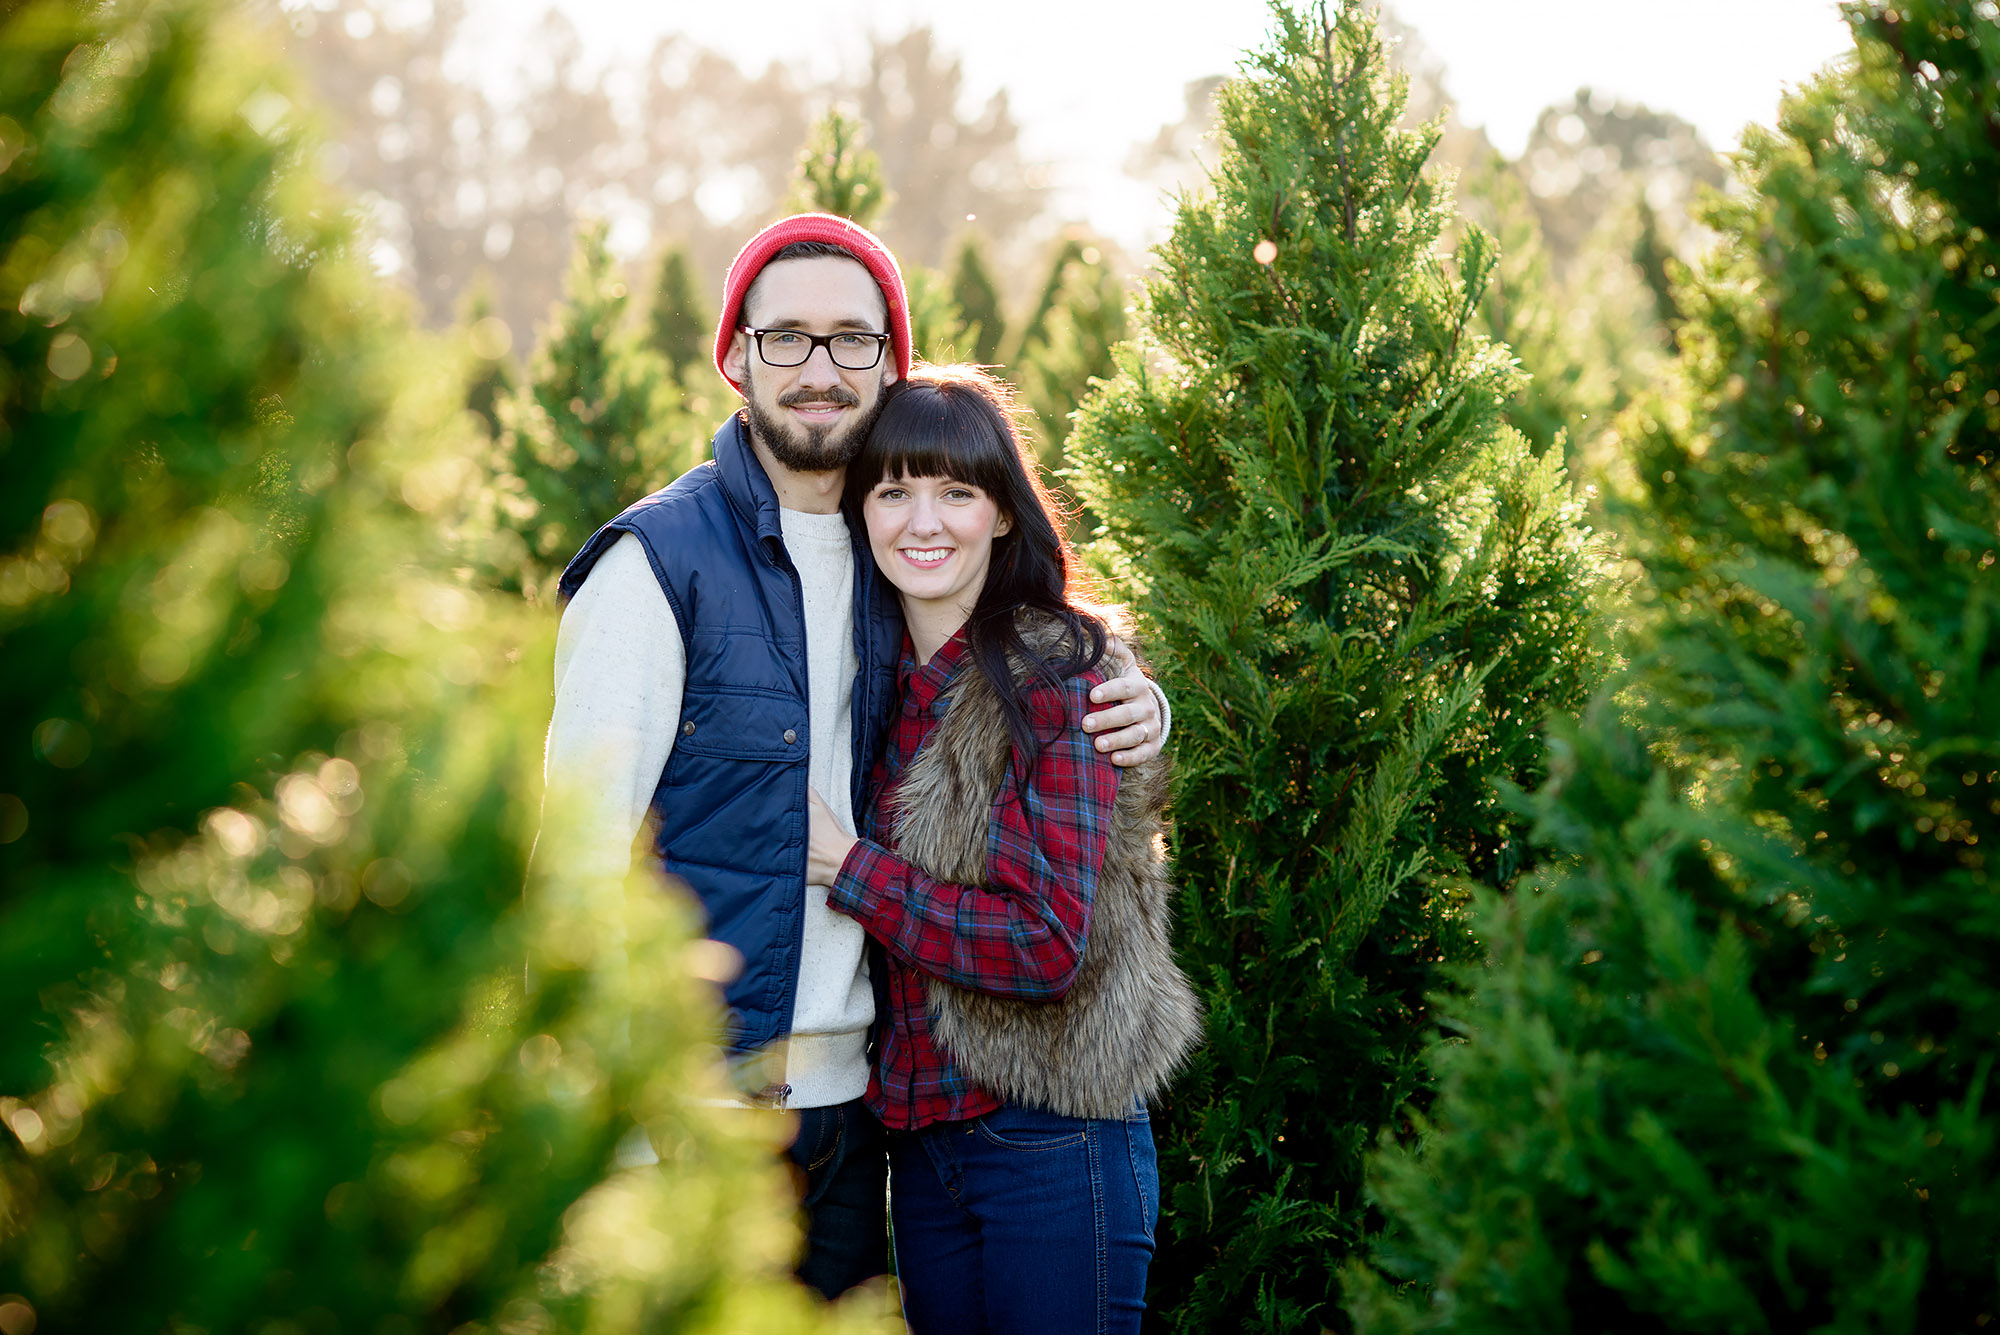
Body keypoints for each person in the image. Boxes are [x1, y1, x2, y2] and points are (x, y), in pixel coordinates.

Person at [543, 213, 1170, 1300]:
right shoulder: (657, 568)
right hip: (693, 1114)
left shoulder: (893, 559)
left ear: (892, 364)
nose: (819, 368)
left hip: (858, 1114)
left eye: (851, 340)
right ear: (734, 355)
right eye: (785, 338)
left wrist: (1134, 699)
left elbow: (1015, 671)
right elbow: (571, 861)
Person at [805, 365, 1202, 1334]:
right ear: (860, 515)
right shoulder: (869, 684)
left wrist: (850, 870)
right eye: (892, 492)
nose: (922, 522)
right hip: (919, 1144)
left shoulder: (1053, 676)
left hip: (1050, 1137)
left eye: (955, 492)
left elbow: (1042, 944)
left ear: (1002, 516)